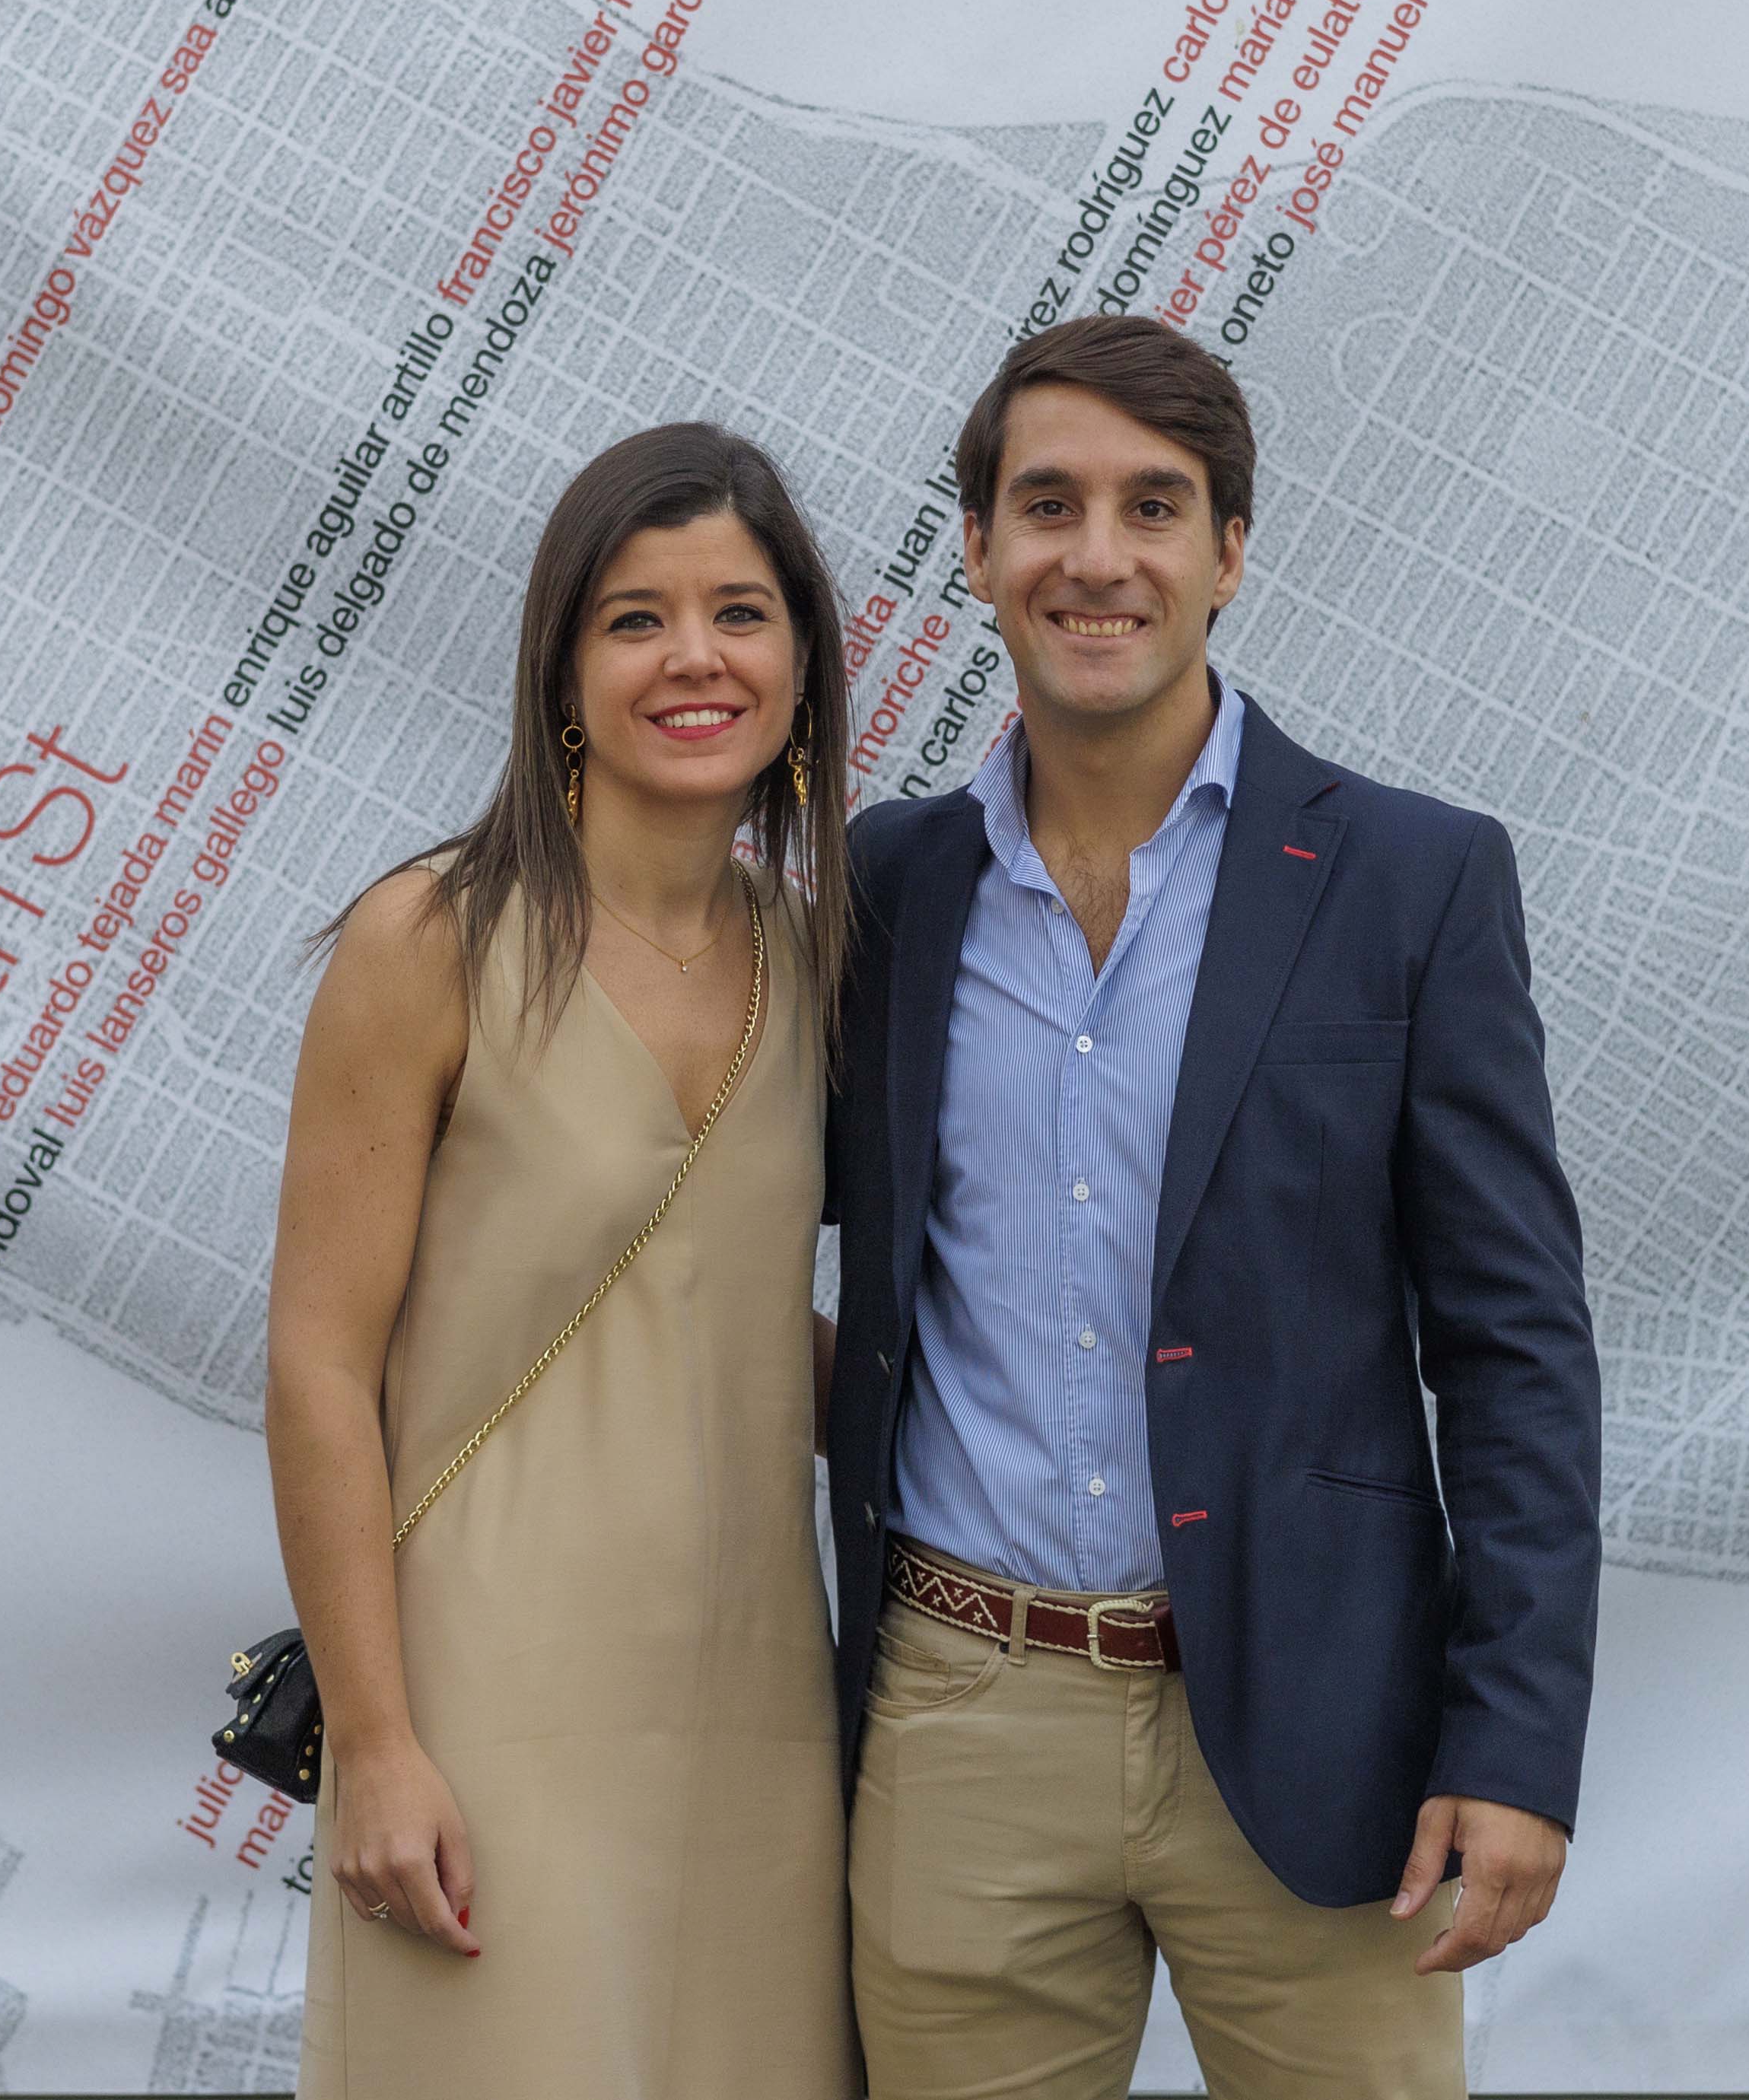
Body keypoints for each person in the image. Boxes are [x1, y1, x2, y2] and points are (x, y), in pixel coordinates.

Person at [825, 317, 1602, 2100]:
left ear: (1228, 551)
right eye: (1047, 506)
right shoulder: (887, 890)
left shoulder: (1408, 879)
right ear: (976, 549)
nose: (1096, 557)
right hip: (961, 1720)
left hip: (1323, 1722)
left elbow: (1513, 1354)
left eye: (1152, 507)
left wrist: (1513, 1743)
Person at [269, 422, 858, 2099]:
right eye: (635, 618)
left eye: (740, 613)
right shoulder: (431, 937)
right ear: (562, 670)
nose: (695, 658)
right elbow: (318, 1365)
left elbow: (741, 1319)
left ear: (803, 661)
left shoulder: (818, 956)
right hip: (483, 1694)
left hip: (760, 1702)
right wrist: (376, 1742)